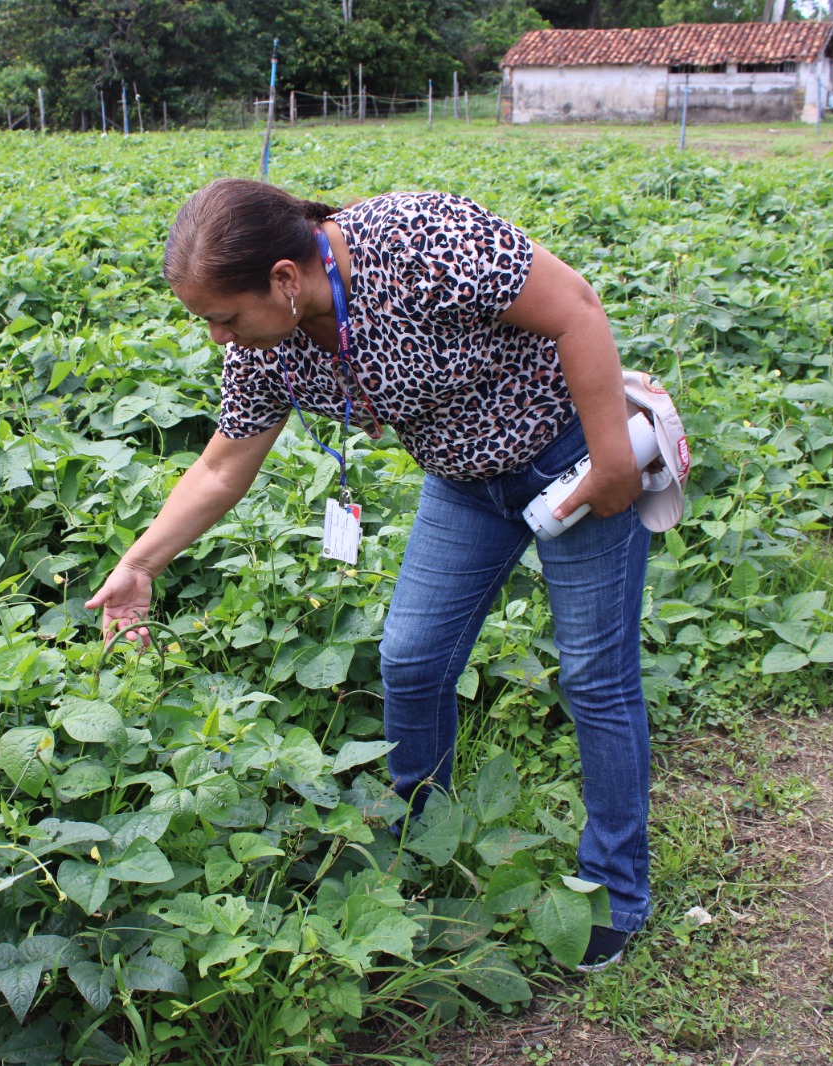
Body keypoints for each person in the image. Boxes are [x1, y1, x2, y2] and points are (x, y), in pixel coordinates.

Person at [86, 178, 659, 972]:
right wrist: (138, 564)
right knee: (412, 659)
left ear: (284, 280)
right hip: (464, 483)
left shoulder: (419, 239)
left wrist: (611, 460)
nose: (219, 337)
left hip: (570, 458)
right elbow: (223, 466)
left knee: (595, 679)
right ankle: (415, 847)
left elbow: (575, 309)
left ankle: (616, 888)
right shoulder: (269, 348)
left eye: (225, 316)